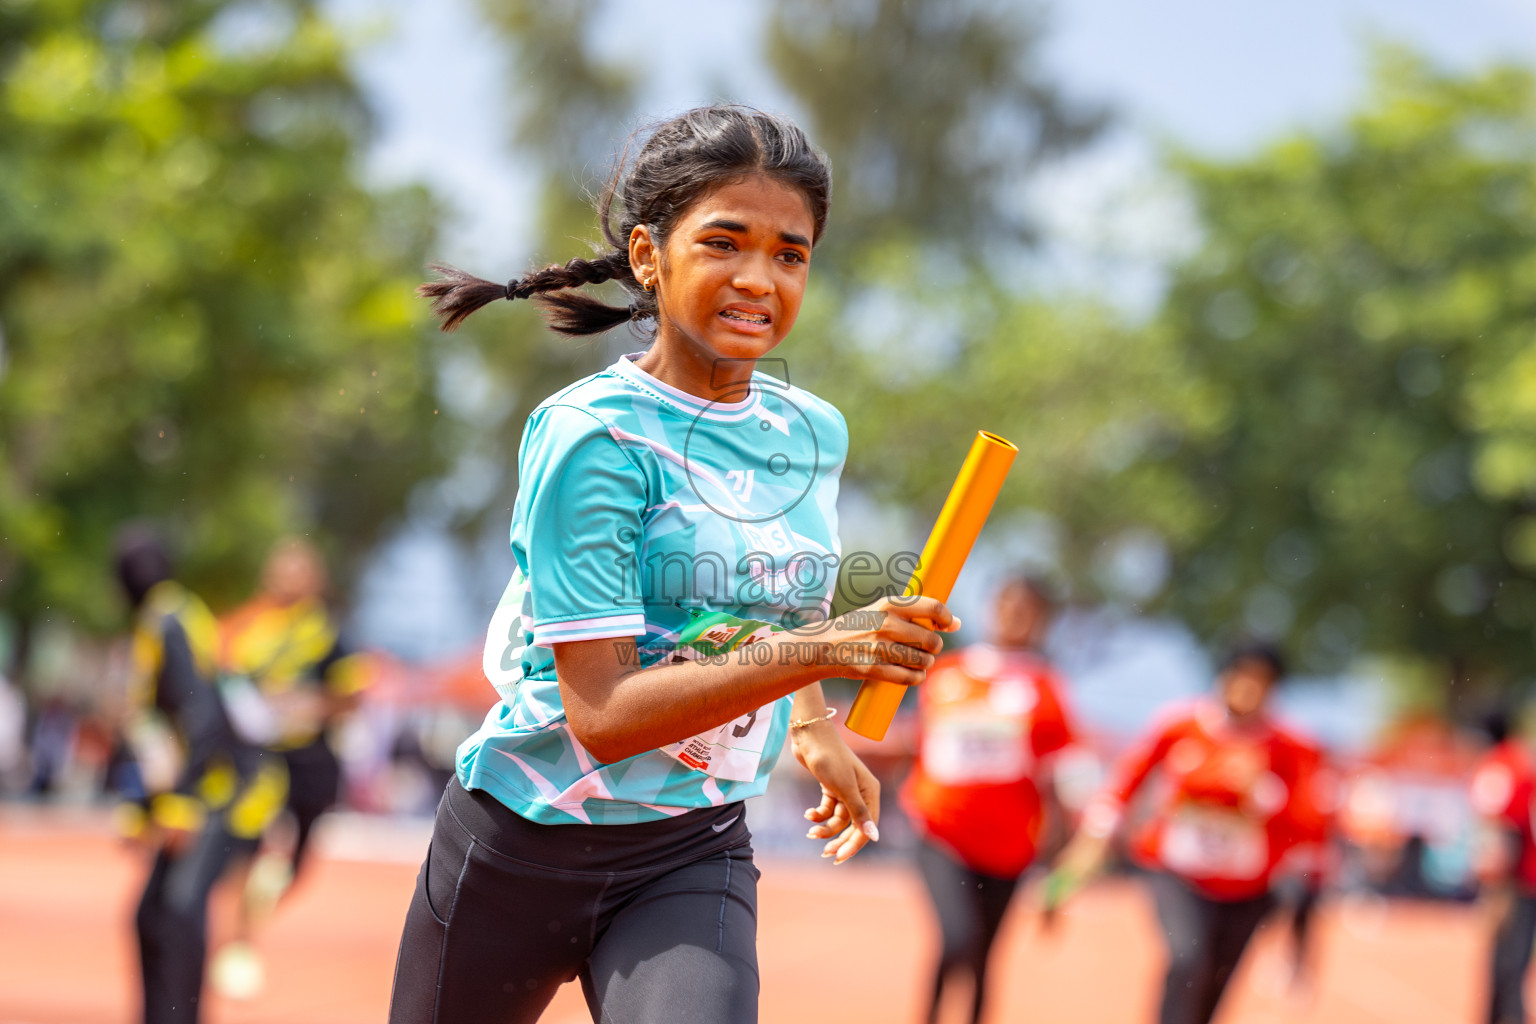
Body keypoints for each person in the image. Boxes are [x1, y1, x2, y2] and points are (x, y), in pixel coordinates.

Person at [388, 105, 958, 1024]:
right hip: (526, 839)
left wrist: (813, 727)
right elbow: (604, 717)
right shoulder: (594, 438)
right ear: (650, 255)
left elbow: (781, 608)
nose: (758, 279)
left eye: (790, 253)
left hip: (691, 849)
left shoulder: (811, 431)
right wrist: (825, 656)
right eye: (724, 243)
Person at [1048, 641, 1320, 1024]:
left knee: (1214, 983)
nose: (1249, 690)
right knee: (1186, 959)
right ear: (1223, 678)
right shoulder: (1180, 726)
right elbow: (1124, 784)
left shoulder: (1290, 747)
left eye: (1262, 683)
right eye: (1242, 678)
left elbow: (1311, 820)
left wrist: (1262, 793)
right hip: (1177, 874)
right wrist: (1091, 844)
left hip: (1247, 888)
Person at [113, 528, 286, 1024]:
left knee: (177, 911)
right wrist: (140, 806)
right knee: (154, 915)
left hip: (218, 792)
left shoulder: (168, 620)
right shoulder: (166, 615)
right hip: (198, 790)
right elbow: (153, 730)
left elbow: (200, 719)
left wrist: (180, 804)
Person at [901, 575, 1076, 1024]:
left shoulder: (1046, 688)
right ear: (992, 607)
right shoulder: (945, 672)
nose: (1015, 616)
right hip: (941, 833)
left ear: (1042, 621)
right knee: (958, 937)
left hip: (1009, 846)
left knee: (983, 956)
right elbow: (915, 743)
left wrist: (1059, 861)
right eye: (1007, 605)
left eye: (1027, 609)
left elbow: (1059, 778)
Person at [210, 536, 370, 997]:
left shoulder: (328, 631)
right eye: (280, 569)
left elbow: (353, 694)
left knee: (296, 864)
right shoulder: (251, 628)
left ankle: (249, 922)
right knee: (244, 850)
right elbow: (227, 681)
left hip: (312, 760)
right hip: (259, 762)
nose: (285, 579)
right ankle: (236, 944)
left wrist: (307, 703)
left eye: (296, 570)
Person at [1468, 710, 1536, 1024]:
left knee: (1507, 950)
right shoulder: (1522, 763)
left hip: (1514, 875)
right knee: (1516, 951)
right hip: (1524, 873)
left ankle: (1505, 1015)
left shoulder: (1500, 766)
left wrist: (1494, 872)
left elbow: (1502, 822)